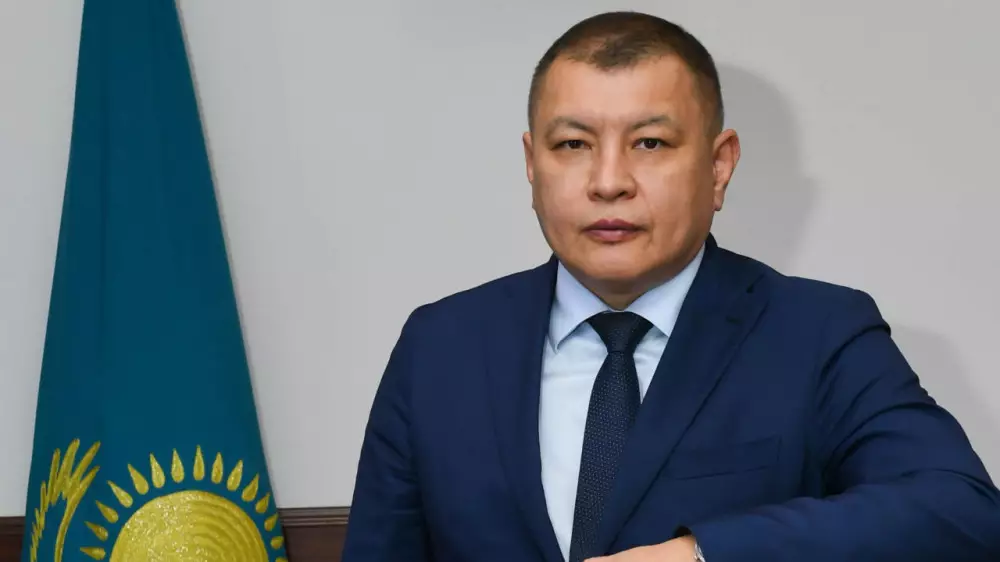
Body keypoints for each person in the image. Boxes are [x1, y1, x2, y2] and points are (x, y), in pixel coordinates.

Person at [341, 10, 1000, 562]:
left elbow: (962, 512)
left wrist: (702, 554)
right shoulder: (441, 345)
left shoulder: (817, 332)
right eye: (572, 145)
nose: (608, 182)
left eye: (650, 144)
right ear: (532, 164)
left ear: (719, 166)